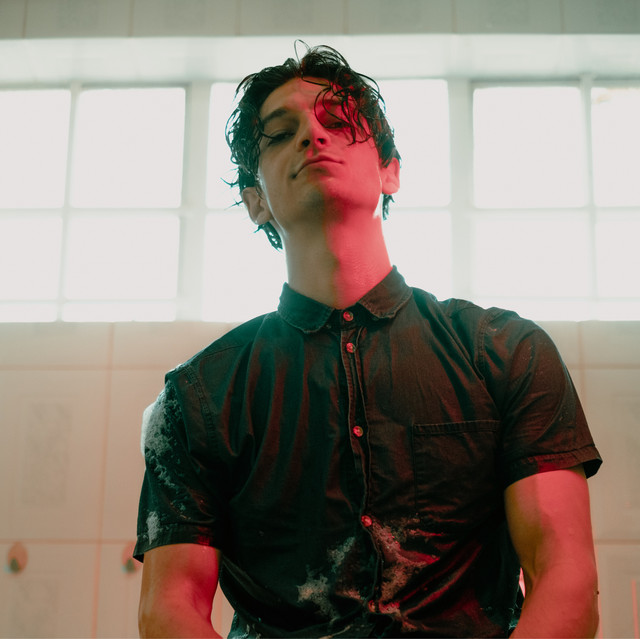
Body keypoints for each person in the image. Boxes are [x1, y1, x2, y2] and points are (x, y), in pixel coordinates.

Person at [135, 44, 602, 638]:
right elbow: (169, 606)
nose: (313, 135)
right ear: (255, 201)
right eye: (281, 133)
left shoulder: (506, 353)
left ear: (390, 172)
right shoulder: (198, 397)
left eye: (338, 121)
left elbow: (565, 578)